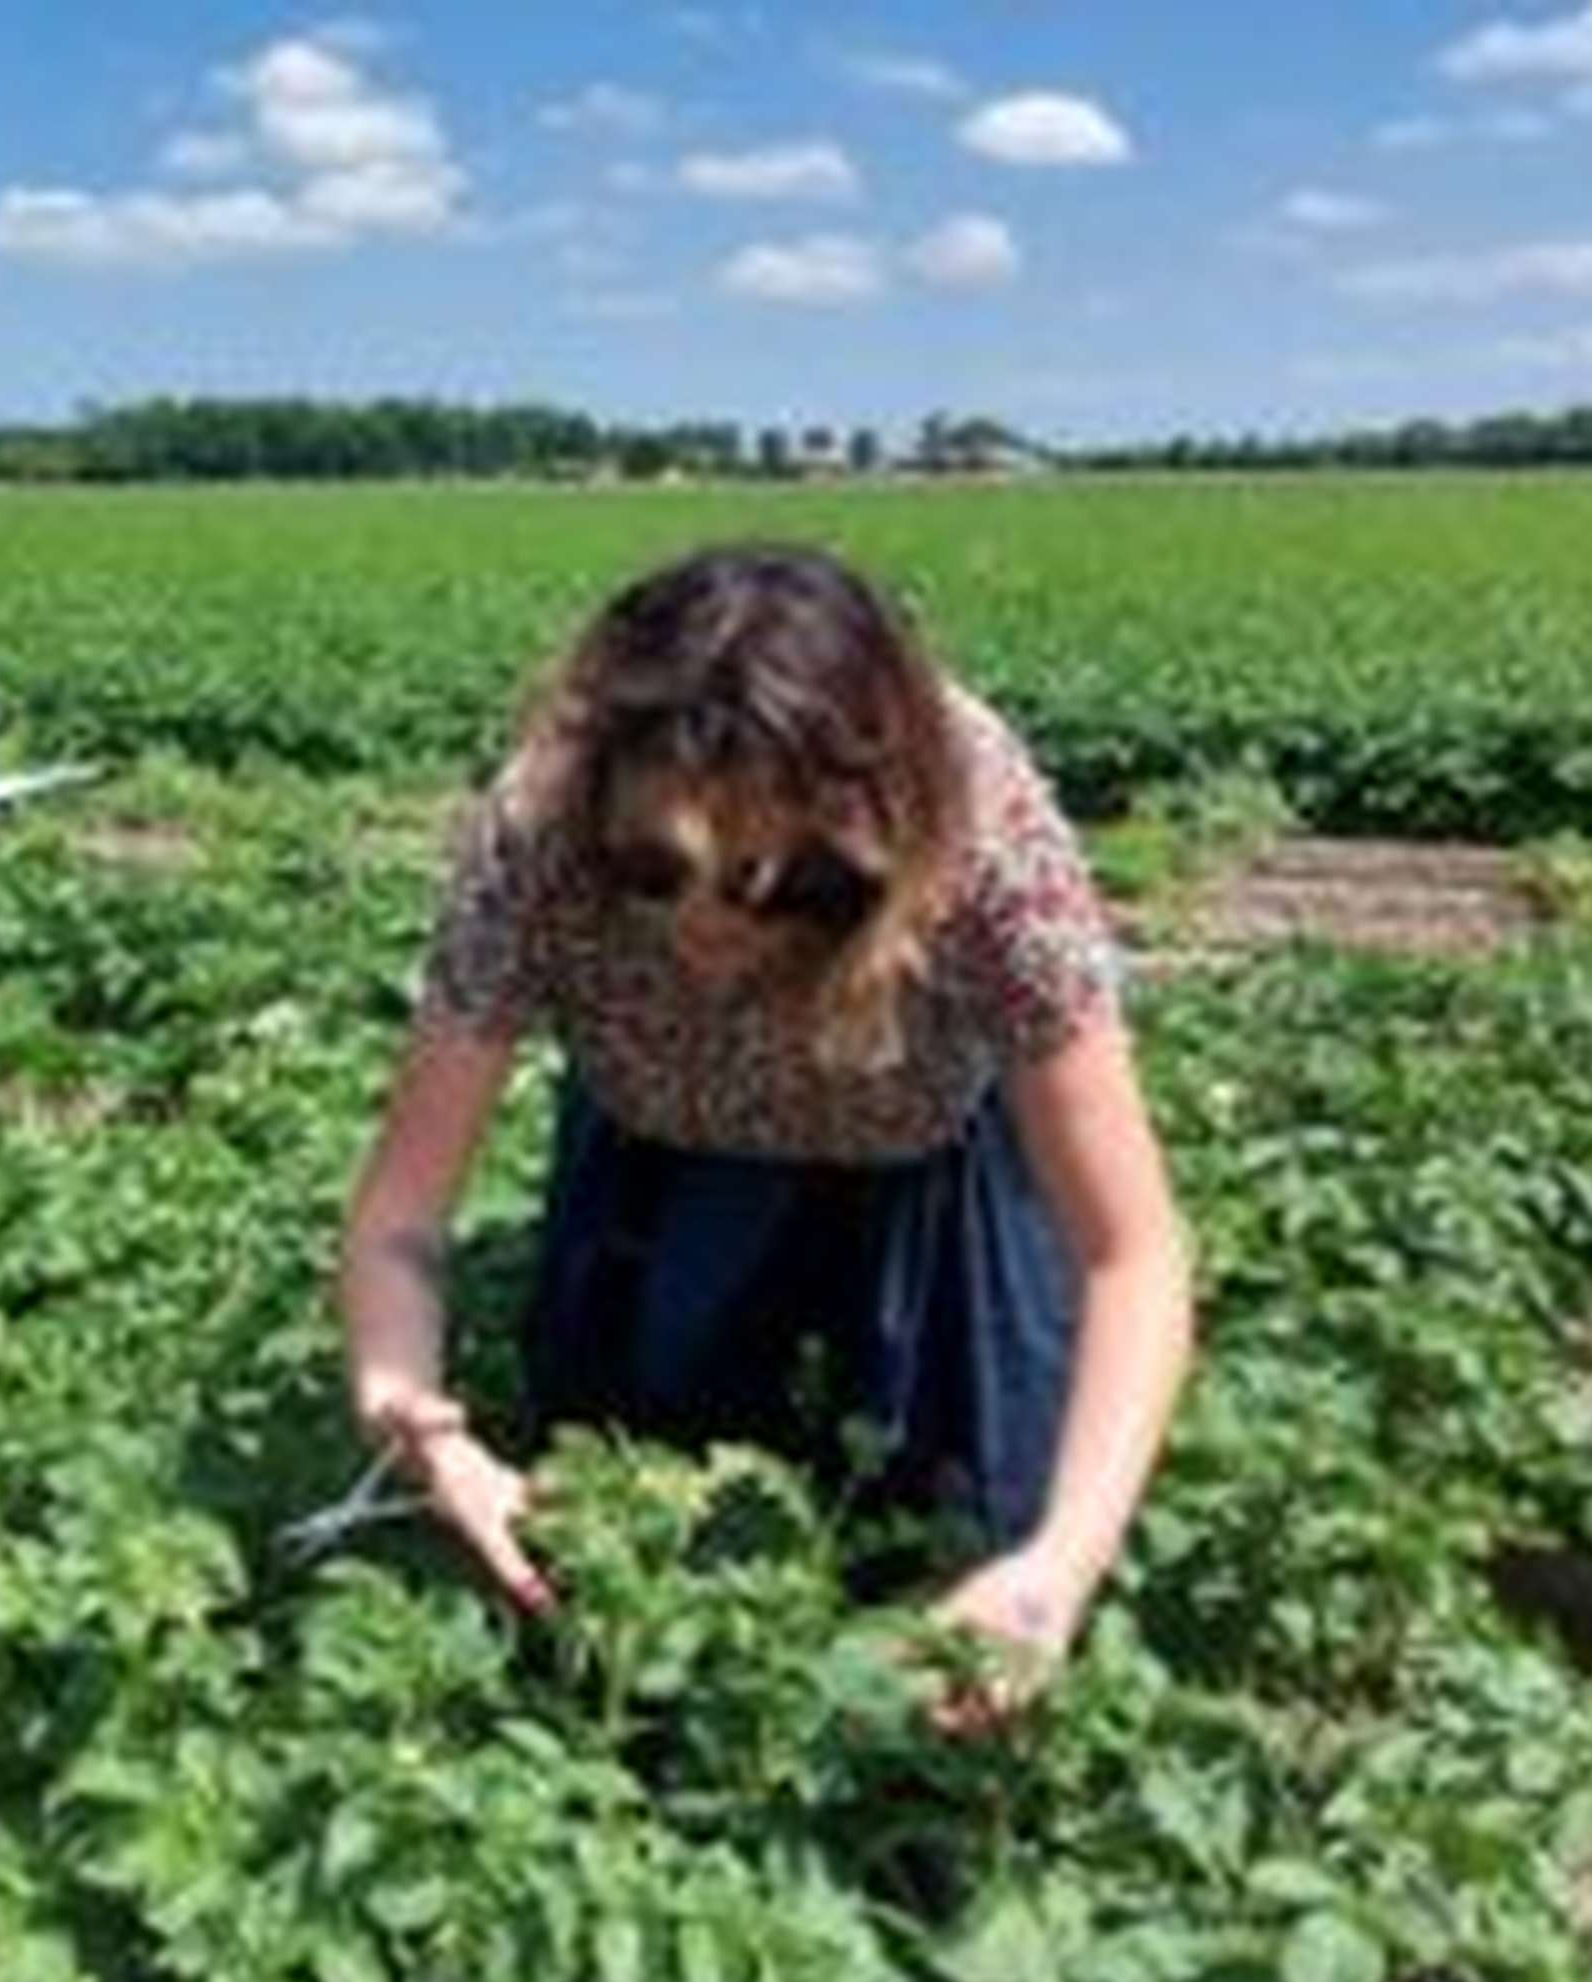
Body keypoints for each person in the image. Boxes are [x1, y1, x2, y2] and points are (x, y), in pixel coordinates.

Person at [337, 544, 1193, 1708]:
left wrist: (1056, 1572)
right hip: (659, 1138)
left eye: (788, 889)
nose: (709, 929)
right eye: (649, 871)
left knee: (978, 1525)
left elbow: (1130, 1252)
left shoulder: (985, 827)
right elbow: (402, 1212)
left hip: (919, 1148)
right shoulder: (539, 825)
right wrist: (414, 1414)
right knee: (621, 1539)